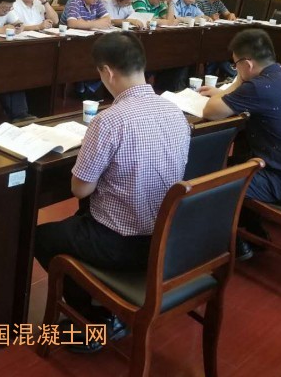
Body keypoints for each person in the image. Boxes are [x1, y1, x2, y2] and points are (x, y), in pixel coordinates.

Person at [34, 32, 190, 348]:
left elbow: (80, 189)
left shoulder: (109, 121)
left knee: (43, 237)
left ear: (107, 72)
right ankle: (100, 302)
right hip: (168, 237)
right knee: (81, 218)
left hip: (122, 243)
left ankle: (92, 318)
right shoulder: (175, 111)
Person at [201, 29, 281, 207]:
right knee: (233, 157)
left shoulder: (258, 87)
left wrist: (239, 80)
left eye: (236, 65)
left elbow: (210, 111)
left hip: (279, 183)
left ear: (248, 64)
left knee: (202, 183)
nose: (236, 69)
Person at [60, 0, 110, 100]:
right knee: (90, 57)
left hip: (89, 41)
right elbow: (72, 23)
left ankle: (87, 88)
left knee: (106, 57)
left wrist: (84, 23)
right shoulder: (75, 0)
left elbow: (108, 20)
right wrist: (95, 23)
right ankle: (83, 88)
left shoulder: (97, 2)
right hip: (70, 43)